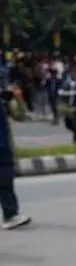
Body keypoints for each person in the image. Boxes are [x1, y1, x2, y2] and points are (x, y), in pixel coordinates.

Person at [0, 60, 31, 230]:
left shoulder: (4, 101)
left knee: (5, 181)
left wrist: (18, 99)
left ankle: (10, 215)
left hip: (3, 147)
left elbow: (20, 116)